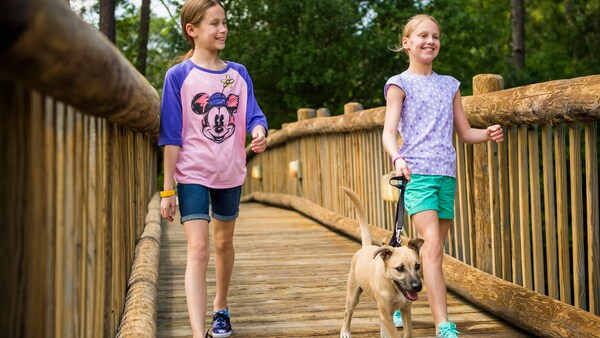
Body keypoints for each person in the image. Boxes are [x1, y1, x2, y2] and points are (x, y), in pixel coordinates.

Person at [381, 14, 504, 338]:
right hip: (417, 174)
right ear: (407, 43)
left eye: (435, 36)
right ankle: (443, 325)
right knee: (432, 247)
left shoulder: (450, 85)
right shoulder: (399, 83)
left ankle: (400, 300)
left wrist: (488, 133)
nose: (430, 41)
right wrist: (397, 158)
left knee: (432, 252)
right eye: (422, 35)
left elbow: (464, 133)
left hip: (446, 176)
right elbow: (388, 132)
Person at [158, 1, 268, 337]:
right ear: (192, 31)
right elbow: (171, 136)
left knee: (222, 244)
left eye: (224, 23)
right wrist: (167, 191)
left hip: (230, 172)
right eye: (214, 24)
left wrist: (259, 132)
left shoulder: (238, 74)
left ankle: (221, 307)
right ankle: (196, 332)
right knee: (198, 248)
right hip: (192, 174)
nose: (222, 30)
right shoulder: (178, 76)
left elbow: (254, 115)